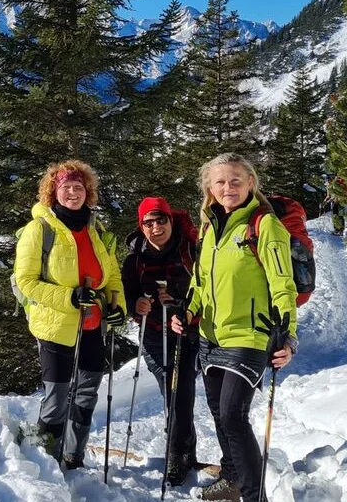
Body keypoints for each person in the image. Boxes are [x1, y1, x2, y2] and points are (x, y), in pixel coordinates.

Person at [172, 153, 298, 502]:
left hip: (250, 335)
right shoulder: (209, 228)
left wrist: (287, 336)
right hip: (211, 336)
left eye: (235, 180)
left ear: (250, 184)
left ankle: (255, 496)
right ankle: (231, 480)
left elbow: (283, 284)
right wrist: (187, 311)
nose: (227, 187)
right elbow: (200, 283)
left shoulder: (264, 225)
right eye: (220, 182)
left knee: (233, 415)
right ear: (210, 188)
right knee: (219, 414)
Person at [14, 160, 127, 470]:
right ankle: (47, 463)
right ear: (54, 192)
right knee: (57, 397)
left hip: (93, 325)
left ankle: (74, 457)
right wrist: (70, 297)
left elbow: (112, 274)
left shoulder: (95, 229)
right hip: (55, 326)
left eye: (79, 187)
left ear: (87, 192)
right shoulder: (40, 229)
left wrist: (117, 306)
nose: (73, 193)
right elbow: (26, 281)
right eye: (66, 187)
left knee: (87, 393)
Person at [121, 196, 199, 486]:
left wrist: (179, 300)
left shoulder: (189, 250)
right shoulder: (134, 260)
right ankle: (184, 448)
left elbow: (206, 288)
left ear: (170, 220)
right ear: (141, 227)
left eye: (161, 220)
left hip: (187, 332)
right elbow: (128, 294)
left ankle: (178, 453)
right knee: (172, 390)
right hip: (154, 334)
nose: (156, 227)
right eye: (149, 223)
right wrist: (137, 305)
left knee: (179, 390)